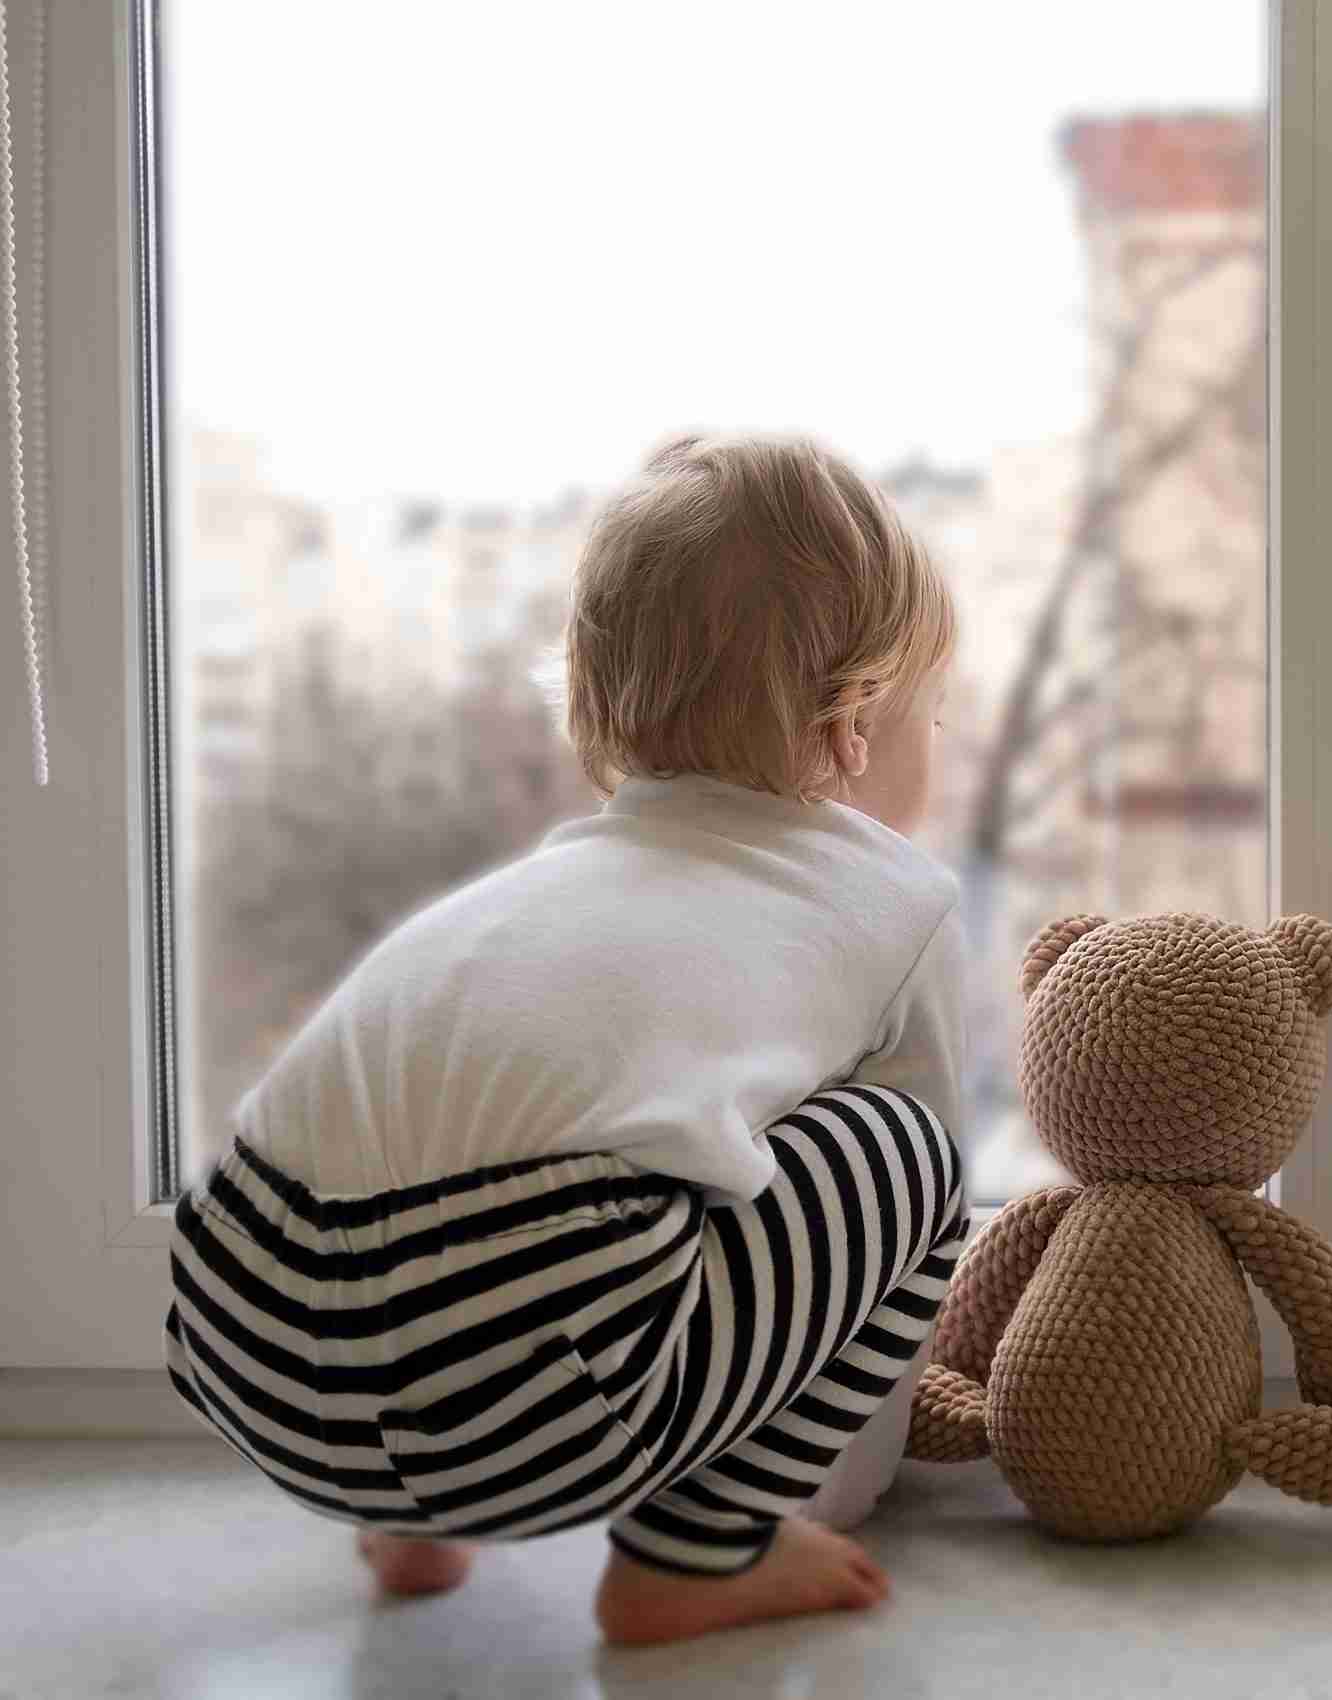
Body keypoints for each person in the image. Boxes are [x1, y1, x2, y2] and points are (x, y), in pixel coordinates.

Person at [164, 433, 969, 1646]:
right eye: (934, 716)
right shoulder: (892, 900)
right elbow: (876, 1289)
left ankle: (411, 1523)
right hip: (528, 1393)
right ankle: (695, 1559)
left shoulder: (541, 897)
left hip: (247, 1347)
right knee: (908, 1154)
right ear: (854, 721)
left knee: (504, 1174)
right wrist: (829, 1486)